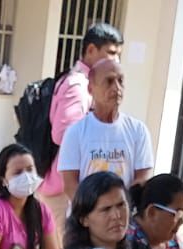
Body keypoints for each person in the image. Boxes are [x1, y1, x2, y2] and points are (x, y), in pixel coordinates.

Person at [39, 21, 123, 225]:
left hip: (69, 187)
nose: (116, 59)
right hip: (63, 190)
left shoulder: (84, 81)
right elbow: (63, 133)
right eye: (111, 53)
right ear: (91, 50)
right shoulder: (79, 85)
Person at [56, 58, 154, 204]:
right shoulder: (75, 133)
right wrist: (92, 213)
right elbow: (70, 185)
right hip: (86, 219)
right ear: (91, 89)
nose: (116, 88)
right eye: (109, 81)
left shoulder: (138, 131)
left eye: (120, 81)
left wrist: (121, 208)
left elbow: (143, 177)